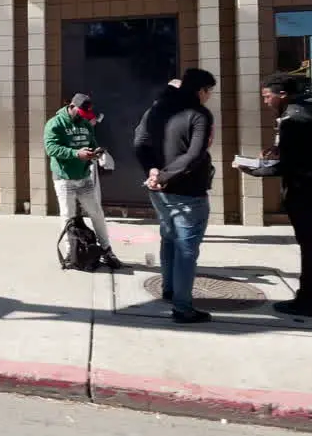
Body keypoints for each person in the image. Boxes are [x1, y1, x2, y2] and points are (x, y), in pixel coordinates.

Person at [238, 73, 312, 319]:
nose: (265, 101)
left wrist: (255, 169)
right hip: (310, 187)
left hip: (302, 190)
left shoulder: (293, 120)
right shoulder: (303, 114)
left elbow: (288, 166)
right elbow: (301, 153)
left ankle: (308, 300)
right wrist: (279, 150)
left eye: (267, 97)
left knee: (310, 244)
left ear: (282, 95)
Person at [134, 69, 217, 324]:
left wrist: (153, 172)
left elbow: (140, 142)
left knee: (169, 238)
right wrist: (165, 176)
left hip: (159, 192)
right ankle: (182, 307)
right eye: (208, 92)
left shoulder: (157, 110)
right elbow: (194, 155)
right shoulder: (199, 115)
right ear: (201, 90)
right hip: (188, 192)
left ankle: (169, 289)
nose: (208, 97)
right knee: (186, 249)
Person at [44, 93, 123, 269]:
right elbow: (51, 148)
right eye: (81, 113)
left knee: (97, 213)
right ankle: (70, 253)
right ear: (72, 107)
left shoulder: (86, 124)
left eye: (87, 115)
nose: (84, 118)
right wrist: (75, 153)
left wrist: (98, 153)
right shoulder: (54, 124)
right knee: (68, 217)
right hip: (64, 179)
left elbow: (93, 142)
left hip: (84, 177)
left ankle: (107, 250)